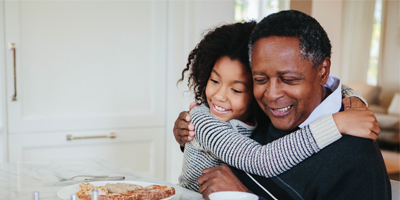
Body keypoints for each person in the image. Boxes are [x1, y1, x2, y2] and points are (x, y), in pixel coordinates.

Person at [174, 14, 388, 199]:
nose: (272, 95)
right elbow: (259, 158)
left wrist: (245, 198)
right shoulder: (266, 115)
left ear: (323, 72)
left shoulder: (355, 156)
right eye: (260, 79)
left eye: (288, 79)